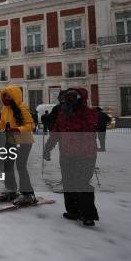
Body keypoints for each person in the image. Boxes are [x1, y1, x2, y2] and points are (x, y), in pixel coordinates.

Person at [43, 88, 99, 226]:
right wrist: (47, 148)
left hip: (85, 154)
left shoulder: (88, 113)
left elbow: (89, 128)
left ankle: (87, 215)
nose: (69, 101)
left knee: (82, 182)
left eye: (72, 98)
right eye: (67, 98)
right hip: (67, 154)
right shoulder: (63, 114)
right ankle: (73, 211)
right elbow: (56, 132)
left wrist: (73, 114)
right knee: (68, 182)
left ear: (81, 99)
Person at [0, 85, 36, 205]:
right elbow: (2, 123)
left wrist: (17, 129)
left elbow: (31, 125)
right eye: (5, 96)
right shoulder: (5, 108)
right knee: (8, 165)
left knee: (21, 166)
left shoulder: (22, 107)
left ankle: (28, 194)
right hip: (10, 140)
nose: (7, 98)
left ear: (15, 96)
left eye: (9, 96)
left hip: (24, 140)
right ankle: (11, 190)